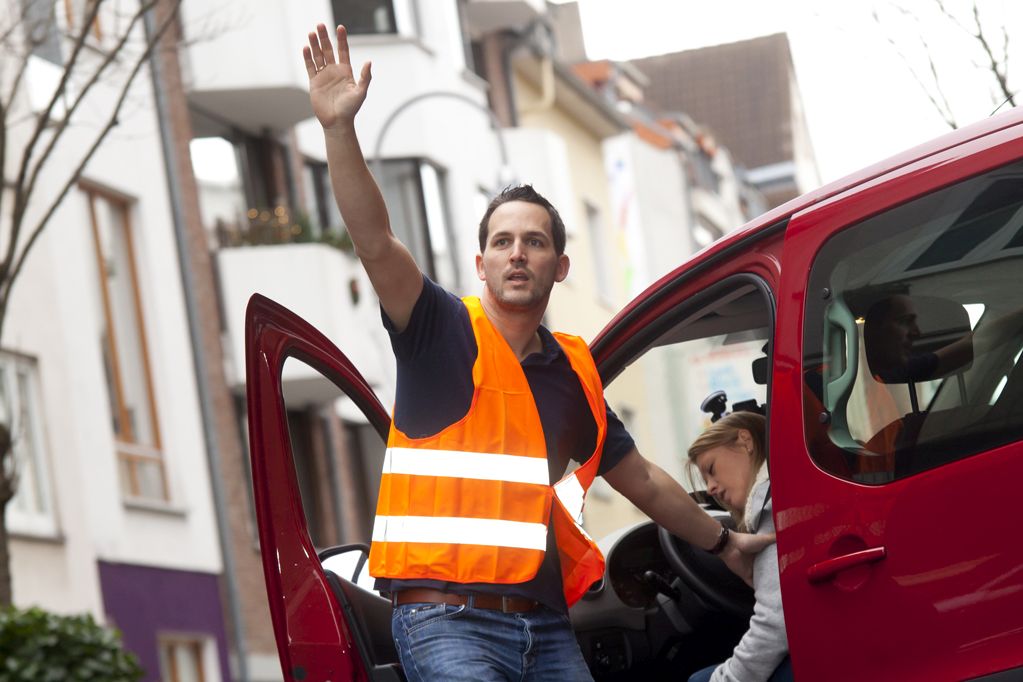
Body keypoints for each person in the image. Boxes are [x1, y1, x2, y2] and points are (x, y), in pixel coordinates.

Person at [302, 23, 771, 681]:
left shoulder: (571, 370)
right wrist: (338, 131)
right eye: (501, 242)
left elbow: (640, 482)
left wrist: (725, 544)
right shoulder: (437, 329)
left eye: (533, 241)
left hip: (545, 625)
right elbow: (376, 240)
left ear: (560, 265)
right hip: (445, 623)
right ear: (481, 262)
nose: (516, 252)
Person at [686, 412, 792, 682]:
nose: (710, 488)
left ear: (745, 440)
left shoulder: (771, 504)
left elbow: (774, 624)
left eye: (711, 469)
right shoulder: (779, 493)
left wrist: (725, 679)